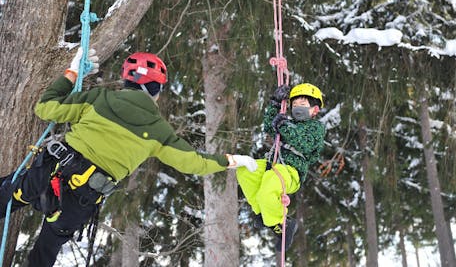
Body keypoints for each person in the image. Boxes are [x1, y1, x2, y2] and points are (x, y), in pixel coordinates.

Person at [0, 49, 257, 267]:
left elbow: (45, 108)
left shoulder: (99, 99)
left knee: (6, 194)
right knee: (45, 251)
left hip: (48, 173)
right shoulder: (158, 130)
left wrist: (73, 72)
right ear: (154, 89)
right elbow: (194, 163)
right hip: (79, 199)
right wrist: (232, 160)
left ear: (128, 81)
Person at [236, 83, 325, 252]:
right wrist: (276, 103)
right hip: (273, 163)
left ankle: (281, 223)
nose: (298, 108)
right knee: (245, 171)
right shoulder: (287, 121)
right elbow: (269, 126)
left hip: (291, 171)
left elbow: (303, 142)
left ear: (315, 110)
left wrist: (283, 125)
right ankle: (262, 212)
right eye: (295, 105)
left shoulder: (316, 128)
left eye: (303, 105)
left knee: (268, 188)